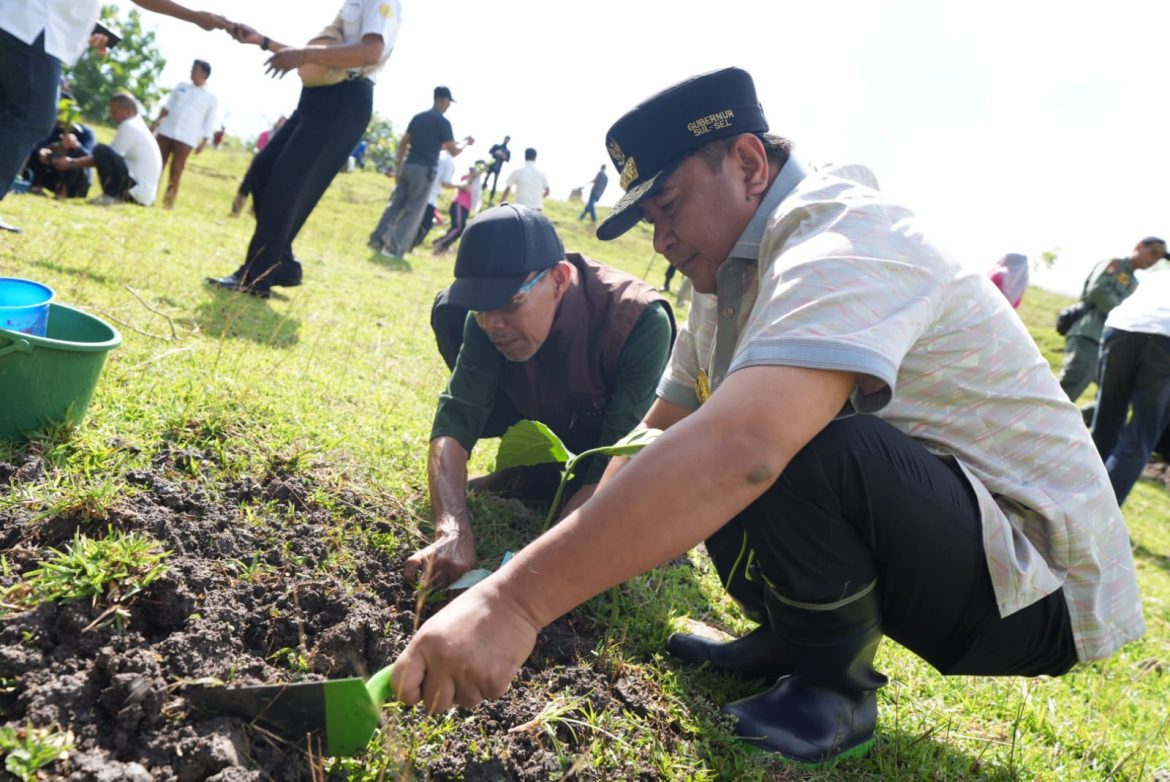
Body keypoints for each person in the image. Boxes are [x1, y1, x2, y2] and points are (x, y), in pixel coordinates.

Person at [390, 68, 1144, 766]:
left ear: (750, 163)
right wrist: (546, 558)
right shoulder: (728, 287)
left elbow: (746, 448)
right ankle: (790, 639)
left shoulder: (847, 238)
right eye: (647, 220)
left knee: (779, 432)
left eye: (670, 206)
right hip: (955, 541)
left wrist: (514, 603)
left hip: (1035, 583)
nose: (662, 240)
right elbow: (654, 435)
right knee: (696, 439)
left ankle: (832, 688)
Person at [412, 204, 674, 588]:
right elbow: (454, 421)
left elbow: (612, 468)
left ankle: (540, 480)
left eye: (510, 303)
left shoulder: (638, 320)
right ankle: (534, 474)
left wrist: (525, 570)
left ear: (559, 278)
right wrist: (452, 528)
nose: (493, 324)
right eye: (481, 309)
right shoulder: (486, 318)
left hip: (612, 456)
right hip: (549, 433)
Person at [206, 0, 403, 298]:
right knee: (264, 171)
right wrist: (263, 41)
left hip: (344, 99)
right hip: (318, 97)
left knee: (286, 186)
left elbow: (370, 52)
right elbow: (323, 58)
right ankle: (281, 262)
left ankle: (255, 278)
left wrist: (302, 54)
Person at [0, 0, 231, 233]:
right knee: (33, 118)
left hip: (20, 20)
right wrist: (195, 16)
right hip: (32, 27)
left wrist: (86, 27)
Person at [1090, 264, 1170, 504]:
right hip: (1165, 339)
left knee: (1106, 421)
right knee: (1141, 434)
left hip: (1121, 328)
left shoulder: (1160, 274)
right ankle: (1097, 516)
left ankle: (1074, 497)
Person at [367, 86, 474, 261]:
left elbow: (403, 143)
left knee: (394, 206)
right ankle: (395, 248)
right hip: (424, 170)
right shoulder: (442, 122)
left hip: (408, 166)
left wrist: (399, 168)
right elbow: (454, 151)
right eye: (449, 102)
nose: (449, 106)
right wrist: (466, 143)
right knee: (414, 210)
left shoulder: (419, 117)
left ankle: (377, 240)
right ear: (442, 100)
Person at [1057, 237, 1167, 402]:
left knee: (1114, 392)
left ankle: (1088, 422)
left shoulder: (1135, 283)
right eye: (1153, 254)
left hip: (1109, 341)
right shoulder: (1115, 265)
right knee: (1071, 384)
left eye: (1158, 258)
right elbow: (1098, 290)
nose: (1154, 261)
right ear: (1139, 246)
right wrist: (1122, 313)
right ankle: (1034, 421)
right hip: (1089, 333)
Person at [58, 92, 162, 207]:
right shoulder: (138, 125)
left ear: (128, 112)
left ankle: (111, 196)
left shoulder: (129, 125)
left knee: (101, 150)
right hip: (143, 195)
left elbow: (102, 158)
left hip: (135, 192)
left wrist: (71, 163)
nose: (112, 116)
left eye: (115, 112)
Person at [151, 58, 218, 209]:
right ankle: (149, 195)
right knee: (157, 164)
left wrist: (204, 140)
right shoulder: (181, 87)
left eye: (195, 70)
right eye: (192, 69)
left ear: (205, 74)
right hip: (166, 130)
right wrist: (156, 122)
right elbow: (167, 107)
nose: (192, 72)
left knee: (176, 170)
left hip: (187, 137)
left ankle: (168, 203)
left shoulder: (211, 98)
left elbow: (209, 121)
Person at [25, 93, 96, 198]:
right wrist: (42, 151)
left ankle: (64, 193)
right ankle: (35, 186)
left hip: (76, 182)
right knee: (31, 151)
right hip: (53, 174)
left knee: (75, 161)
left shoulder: (85, 132)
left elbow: (91, 158)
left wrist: (76, 146)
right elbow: (37, 144)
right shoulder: (51, 128)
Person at [230, 115, 286, 217]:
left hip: (271, 168)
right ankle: (236, 211)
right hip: (258, 164)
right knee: (245, 187)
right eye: (280, 121)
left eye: (284, 122)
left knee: (263, 190)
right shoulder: (266, 134)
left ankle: (255, 211)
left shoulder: (286, 140)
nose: (281, 124)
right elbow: (260, 147)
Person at [411, 148, 456, 251]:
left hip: (419, 191)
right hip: (429, 197)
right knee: (425, 225)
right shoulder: (448, 161)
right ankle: (410, 245)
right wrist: (460, 186)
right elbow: (445, 183)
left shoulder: (436, 154)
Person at [433, 163, 482, 255]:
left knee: (458, 229)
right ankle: (440, 243)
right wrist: (472, 178)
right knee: (459, 227)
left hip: (465, 208)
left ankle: (442, 246)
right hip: (459, 205)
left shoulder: (476, 182)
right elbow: (466, 187)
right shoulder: (466, 179)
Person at [482, 135, 510, 206]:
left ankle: (490, 199)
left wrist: (503, 156)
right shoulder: (497, 146)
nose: (506, 140)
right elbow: (490, 151)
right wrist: (496, 152)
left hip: (498, 168)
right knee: (485, 180)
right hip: (491, 165)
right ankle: (481, 194)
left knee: (495, 183)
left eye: (508, 139)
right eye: (506, 138)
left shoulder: (507, 151)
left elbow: (507, 160)